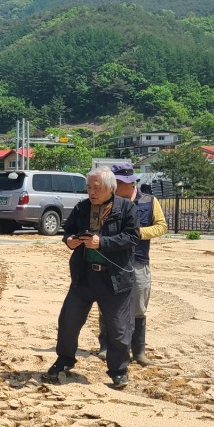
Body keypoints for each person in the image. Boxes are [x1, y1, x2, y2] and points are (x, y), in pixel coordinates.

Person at [43, 166, 138, 389]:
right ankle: (64, 360)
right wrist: (70, 240)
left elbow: (132, 237)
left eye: (96, 188)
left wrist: (102, 242)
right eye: (88, 187)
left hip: (114, 279)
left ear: (110, 188)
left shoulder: (127, 208)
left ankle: (118, 371)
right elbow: (68, 230)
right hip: (84, 276)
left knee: (119, 328)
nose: (91, 192)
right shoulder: (82, 207)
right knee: (68, 320)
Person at [96, 162, 167, 367]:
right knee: (107, 305)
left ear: (130, 182)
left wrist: (137, 233)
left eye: (118, 183)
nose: (115, 187)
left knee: (138, 307)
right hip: (111, 260)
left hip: (138, 261)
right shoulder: (106, 202)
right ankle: (106, 347)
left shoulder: (149, 201)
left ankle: (138, 351)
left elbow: (161, 226)